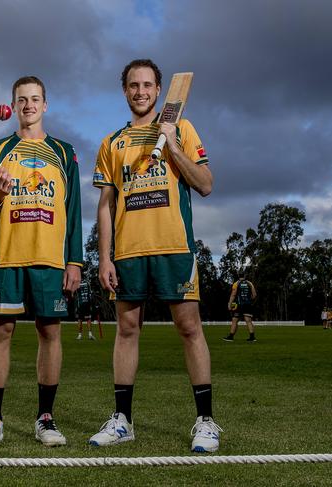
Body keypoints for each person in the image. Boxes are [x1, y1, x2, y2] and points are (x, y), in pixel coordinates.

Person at [89, 59, 222, 453]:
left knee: (189, 329)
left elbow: (206, 184)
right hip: (129, 253)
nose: (140, 91)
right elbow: (104, 206)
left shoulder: (181, 127)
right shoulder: (111, 143)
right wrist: (104, 257)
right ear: (125, 90)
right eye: (133, 85)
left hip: (174, 247)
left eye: (147, 85)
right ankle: (122, 421)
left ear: (159, 90)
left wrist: (173, 145)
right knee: (127, 332)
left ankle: (205, 421)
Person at [0, 76, 83, 447]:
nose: (29, 105)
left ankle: (46, 418)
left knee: (50, 333)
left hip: (51, 259)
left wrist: (75, 262)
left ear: (45, 105)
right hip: (9, 255)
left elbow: (74, 211)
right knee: (1, 331)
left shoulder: (65, 153)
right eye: (22, 99)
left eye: (35, 99)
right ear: (13, 106)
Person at [223, 275, 258, 342]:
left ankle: (231, 337)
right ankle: (252, 337)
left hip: (239, 304)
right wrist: (249, 300)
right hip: (248, 304)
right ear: (245, 276)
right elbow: (254, 295)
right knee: (248, 320)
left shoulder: (236, 283)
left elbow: (233, 294)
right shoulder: (249, 283)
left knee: (234, 320)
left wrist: (229, 304)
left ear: (238, 276)